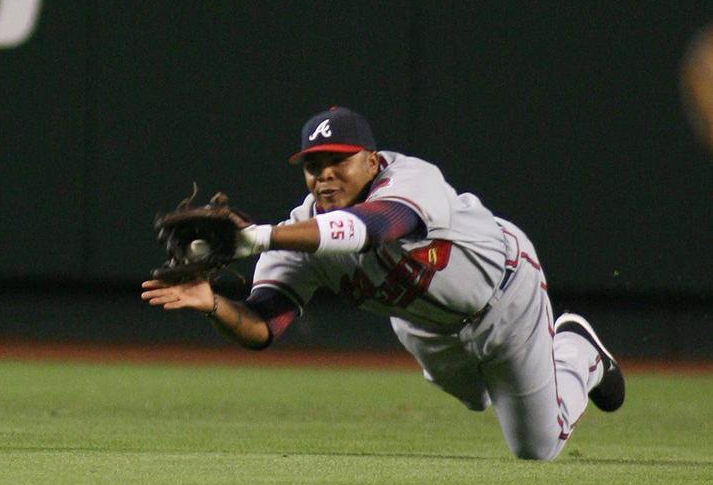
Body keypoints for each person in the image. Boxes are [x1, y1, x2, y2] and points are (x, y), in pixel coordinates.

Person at [141, 105, 624, 460]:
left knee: (537, 448)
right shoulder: (297, 234)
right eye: (314, 165)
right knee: (477, 398)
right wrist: (213, 305)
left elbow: (372, 228)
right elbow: (263, 326)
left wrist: (258, 238)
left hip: (506, 294)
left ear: (371, 162)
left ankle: (578, 351)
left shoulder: (411, 180)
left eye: (340, 161)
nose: (325, 175)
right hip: (425, 328)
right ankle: (511, 377)